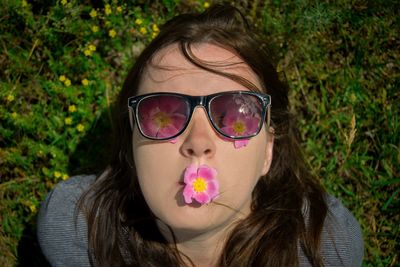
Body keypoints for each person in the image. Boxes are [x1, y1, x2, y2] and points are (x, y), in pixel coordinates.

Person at [37, 4, 363, 267]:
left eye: (236, 113)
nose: (198, 142)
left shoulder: (325, 246)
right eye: (162, 114)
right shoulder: (78, 229)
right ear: (132, 143)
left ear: (268, 152)